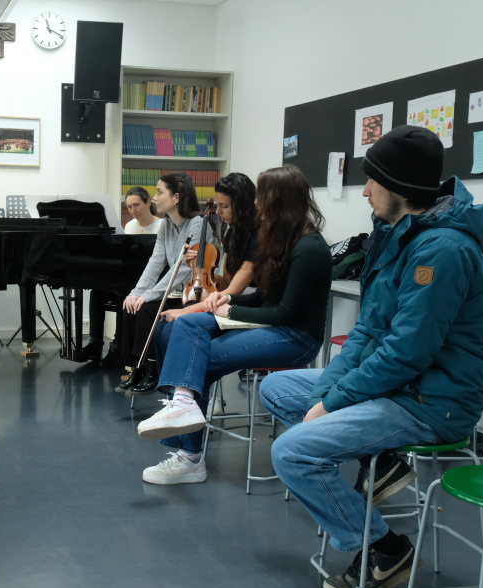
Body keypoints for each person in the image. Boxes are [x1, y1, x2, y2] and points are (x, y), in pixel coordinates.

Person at [259, 125, 483, 588]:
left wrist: (332, 404)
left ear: (399, 188)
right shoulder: (399, 234)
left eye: (372, 181)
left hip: (432, 401)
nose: (365, 191)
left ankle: (384, 549)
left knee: (291, 452)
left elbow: (408, 352)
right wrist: (328, 392)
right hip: (403, 385)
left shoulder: (442, 251)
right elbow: (368, 330)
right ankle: (379, 458)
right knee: (278, 388)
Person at [135, 165, 331, 485]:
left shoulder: (309, 248)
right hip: (272, 326)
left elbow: (284, 314)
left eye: (261, 197)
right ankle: (183, 407)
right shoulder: (279, 239)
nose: (255, 203)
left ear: (279, 200)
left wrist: (229, 311)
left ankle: (189, 455)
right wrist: (227, 299)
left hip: (296, 338)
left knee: (198, 358)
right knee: (188, 327)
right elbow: (264, 298)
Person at [115, 173, 211, 394]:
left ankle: (152, 370)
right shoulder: (166, 225)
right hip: (176, 292)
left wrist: (148, 295)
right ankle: (136, 367)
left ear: (176, 197)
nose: (155, 198)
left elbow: (183, 270)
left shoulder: (197, 224)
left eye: (159, 192)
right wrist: (136, 292)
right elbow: (155, 262)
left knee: (147, 308)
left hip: (193, 295)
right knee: (131, 305)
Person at [162, 172, 258, 323]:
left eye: (224, 206)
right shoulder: (232, 234)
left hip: (250, 302)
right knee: (167, 325)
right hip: (232, 297)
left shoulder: (258, 234)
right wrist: (197, 268)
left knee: (183, 322)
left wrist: (185, 311)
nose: (218, 212)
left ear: (243, 206)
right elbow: (227, 281)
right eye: (217, 205)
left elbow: (234, 290)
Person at [83, 187, 161, 365]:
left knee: (124, 295)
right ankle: (95, 343)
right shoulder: (130, 226)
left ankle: (117, 346)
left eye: (137, 205)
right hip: (130, 276)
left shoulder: (161, 226)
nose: (133, 210)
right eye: (129, 207)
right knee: (97, 292)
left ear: (149, 202)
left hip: (149, 281)